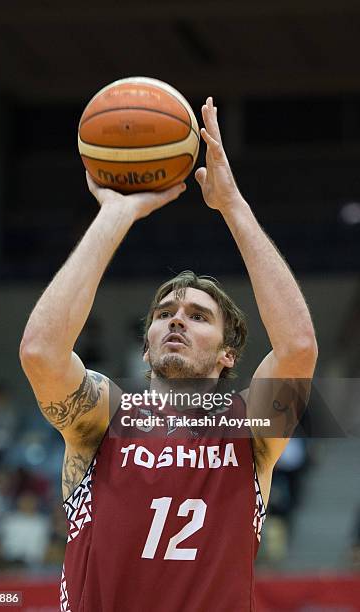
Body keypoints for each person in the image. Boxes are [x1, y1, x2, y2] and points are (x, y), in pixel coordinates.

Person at [20, 97, 318, 611]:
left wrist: (233, 206)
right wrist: (115, 214)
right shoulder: (102, 416)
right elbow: (42, 352)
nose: (176, 319)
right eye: (164, 314)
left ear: (228, 355)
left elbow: (297, 348)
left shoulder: (249, 430)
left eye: (199, 316)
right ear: (147, 343)